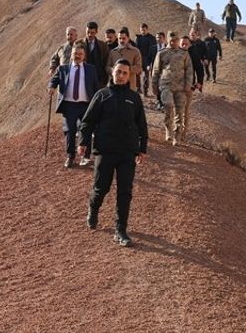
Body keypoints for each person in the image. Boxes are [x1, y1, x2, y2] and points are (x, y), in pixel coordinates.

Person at [78, 59, 148, 247]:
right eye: (118, 72)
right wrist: (83, 142)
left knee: (125, 192)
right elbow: (87, 121)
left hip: (127, 152)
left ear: (128, 76)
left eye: (125, 73)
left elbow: (141, 124)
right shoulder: (102, 95)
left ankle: (121, 230)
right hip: (105, 150)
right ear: (112, 73)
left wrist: (142, 148)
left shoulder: (134, 98)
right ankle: (93, 209)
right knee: (101, 188)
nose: (121, 76)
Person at [50, 45, 99, 168]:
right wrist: (51, 87)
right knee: (70, 131)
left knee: (86, 130)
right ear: (71, 55)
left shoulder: (91, 69)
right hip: (69, 105)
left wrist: (97, 103)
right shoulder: (63, 69)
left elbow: (96, 87)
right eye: (75, 53)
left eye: (80, 54)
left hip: (86, 105)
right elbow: (54, 80)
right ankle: (70, 157)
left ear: (84, 56)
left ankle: (85, 157)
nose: (77, 56)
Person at [151, 31, 192, 145]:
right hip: (166, 85)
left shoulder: (184, 54)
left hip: (180, 87)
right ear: (168, 40)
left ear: (178, 41)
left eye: (176, 41)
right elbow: (156, 70)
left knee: (180, 111)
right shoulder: (161, 53)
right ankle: (168, 130)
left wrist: (188, 85)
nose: (173, 43)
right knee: (168, 105)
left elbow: (189, 70)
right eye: (171, 41)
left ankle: (177, 136)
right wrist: (154, 85)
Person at [107, 27, 144, 93]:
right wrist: (113, 70)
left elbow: (138, 67)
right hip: (115, 86)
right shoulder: (112, 52)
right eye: (119, 38)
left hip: (130, 87)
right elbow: (107, 66)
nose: (121, 40)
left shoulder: (135, 51)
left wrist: (125, 70)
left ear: (128, 38)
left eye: (124, 38)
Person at [82, 22, 111, 88]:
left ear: (96, 32)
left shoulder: (103, 45)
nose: (89, 35)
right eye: (88, 32)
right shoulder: (78, 44)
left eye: (92, 33)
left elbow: (107, 62)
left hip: (100, 79)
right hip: (83, 79)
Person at [135, 24, 157, 96]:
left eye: (144, 30)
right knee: (137, 74)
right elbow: (136, 49)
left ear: (147, 29)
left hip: (148, 59)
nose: (143, 31)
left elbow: (153, 49)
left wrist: (151, 61)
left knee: (146, 75)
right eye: (141, 30)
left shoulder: (152, 38)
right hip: (139, 58)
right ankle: (138, 88)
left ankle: (145, 90)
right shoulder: (138, 38)